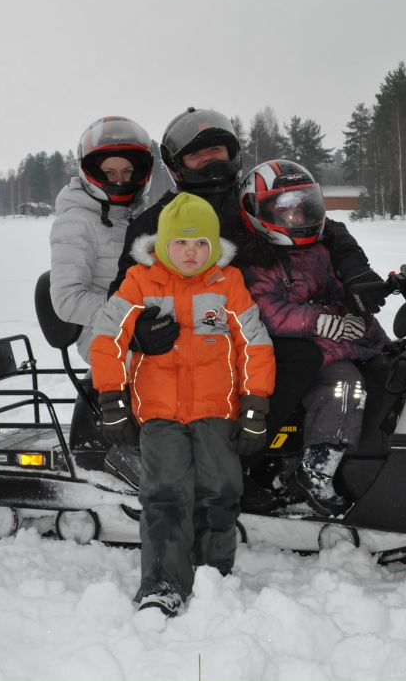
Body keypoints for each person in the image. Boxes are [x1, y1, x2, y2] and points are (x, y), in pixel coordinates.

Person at [110, 107, 388, 508]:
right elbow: (123, 290)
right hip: (192, 334)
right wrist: (138, 327)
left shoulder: (251, 200)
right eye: (196, 155)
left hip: (249, 321)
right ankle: (234, 463)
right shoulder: (160, 222)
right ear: (176, 166)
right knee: (298, 355)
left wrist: (355, 269)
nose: (211, 162)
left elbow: (326, 230)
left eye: (218, 151)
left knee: (351, 357)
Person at [89, 193, 275, 616]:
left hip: (216, 412)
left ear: (212, 246)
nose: (191, 254)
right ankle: (163, 584)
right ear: (162, 245)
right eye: (180, 244)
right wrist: (112, 396)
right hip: (159, 413)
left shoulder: (227, 283)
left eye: (200, 245)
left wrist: (255, 406)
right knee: (166, 495)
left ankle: (213, 578)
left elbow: (255, 344)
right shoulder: (140, 281)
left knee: (221, 491)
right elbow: (107, 337)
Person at [237, 160, 389, 515]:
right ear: (258, 212)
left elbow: (341, 293)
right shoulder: (255, 262)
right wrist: (318, 322)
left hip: (340, 342)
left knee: (392, 371)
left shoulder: (321, 250)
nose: (297, 217)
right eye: (285, 210)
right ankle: (317, 471)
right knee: (344, 387)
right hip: (297, 350)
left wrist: (357, 314)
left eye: (304, 207)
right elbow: (266, 311)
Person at [48, 115, 157, 481]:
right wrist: (130, 316)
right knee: (157, 364)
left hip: (139, 320)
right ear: (90, 170)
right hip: (98, 331)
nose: (120, 180)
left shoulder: (134, 214)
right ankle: (128, 453)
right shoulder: (77, 220)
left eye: (127, 171)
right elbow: (67, 298)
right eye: (110, 171)